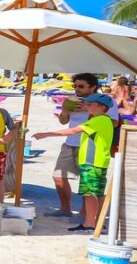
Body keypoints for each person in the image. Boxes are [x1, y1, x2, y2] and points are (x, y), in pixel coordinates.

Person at [34, 96, 114, 231]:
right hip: (98, 162)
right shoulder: (101, 120)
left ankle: (89, 224)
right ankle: (98, 223)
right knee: (97, 194)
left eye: (91, 104)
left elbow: (73, 131)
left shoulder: (99, 120)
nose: (87, 106)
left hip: (92, 162)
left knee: (90, 194)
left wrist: (46, 134)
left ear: (102, 107)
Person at [49, 73, 117, 219]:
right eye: (75, 86)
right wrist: (65, 111)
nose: (77, 89)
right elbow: (63, 121)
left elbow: (113, 122)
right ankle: (65, 208)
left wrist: (88, 110)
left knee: (89, 182)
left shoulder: (105, 101)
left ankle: (87, 213)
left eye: (81, 86)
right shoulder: (71, 100)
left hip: (92, 145)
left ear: (92, 87)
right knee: (59, 177)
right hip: (71, 143)